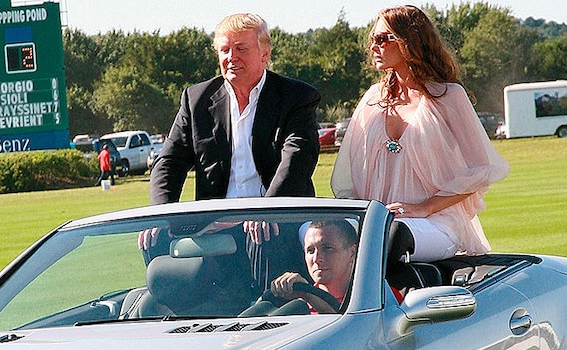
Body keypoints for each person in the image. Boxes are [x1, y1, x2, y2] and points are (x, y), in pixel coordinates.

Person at [330, 5, 509, 261]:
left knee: (391, 238)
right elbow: (348, 180)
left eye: (382, 39)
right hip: (377, 223)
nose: (373, 47)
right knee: (318, 235)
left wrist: (424, 208)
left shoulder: (449, 97)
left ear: (409, 41)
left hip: (436, 223)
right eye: (373, 40)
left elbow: (481, 170)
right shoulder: (372, 100)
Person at [148, 12, 321, 206]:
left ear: (265, 54)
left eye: (241, 49)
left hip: (283, 216)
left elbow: (298, 160)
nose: (232, 57)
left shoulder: (297, 97)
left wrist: (267, 212)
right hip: (218, 224)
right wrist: (160, 217)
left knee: (323, 236)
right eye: (225, 50)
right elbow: (169, 163)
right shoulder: (196, 101)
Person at [241, 219, 357, 315]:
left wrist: (308, 294)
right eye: (310, 251)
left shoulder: (366, 302)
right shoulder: (296, 304)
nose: (317, 258)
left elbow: (344, 325)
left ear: (352, 252)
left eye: (327, 248)